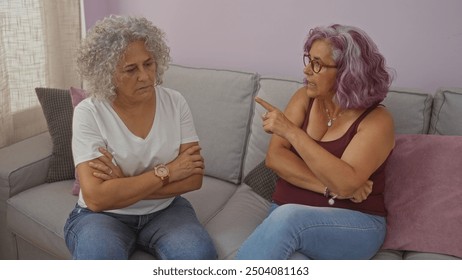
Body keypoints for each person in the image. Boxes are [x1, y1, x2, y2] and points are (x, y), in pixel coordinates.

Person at [63, 15, 217, 260]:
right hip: (103, 217)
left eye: (149, 64)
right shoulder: (89, 112)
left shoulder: (175, 102)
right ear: (107, 72)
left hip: (166, 211)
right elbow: (95, 198)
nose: (145, 76)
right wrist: (165, 172)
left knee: (199, 257)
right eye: (131, 69)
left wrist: (123, 183)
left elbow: (193, 179)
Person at [236, 24, 395, 260]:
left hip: (353, 223)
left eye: (317, 63)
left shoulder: (376, 121)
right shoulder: (304, 97)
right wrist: (330, 188)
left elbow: (346, 182)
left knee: (288, 219)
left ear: (346, 74)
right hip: (287, 216)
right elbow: (276, 158)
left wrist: (291, 132)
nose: (307, 70)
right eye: (308, 60)